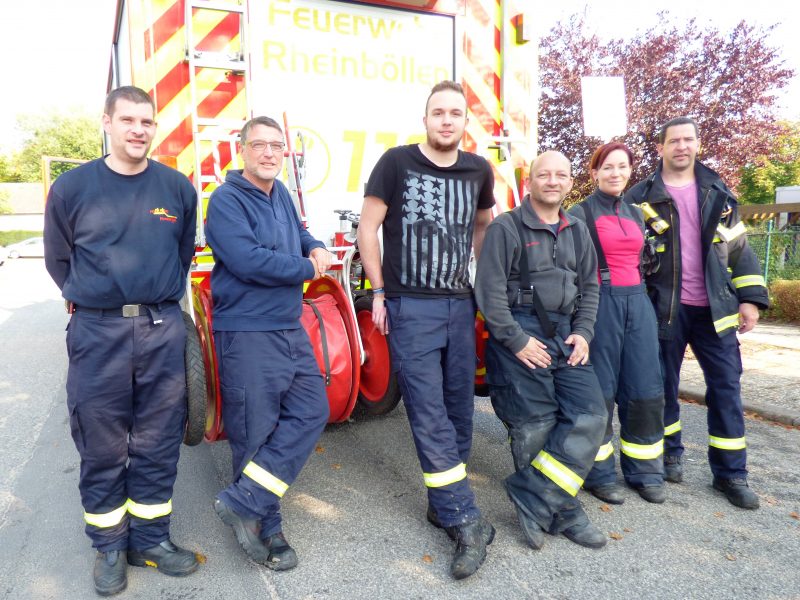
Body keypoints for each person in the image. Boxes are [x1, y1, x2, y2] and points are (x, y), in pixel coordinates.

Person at [43, 86, 200, 596]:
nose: (138, 129)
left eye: (147, 122)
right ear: (106, 122)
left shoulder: (177, 189)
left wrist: (155, 300)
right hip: (98, 330)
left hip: (161, 327)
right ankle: (110, 544)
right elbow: (58, 261)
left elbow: (181, 256)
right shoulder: (72, 188)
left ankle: (150, 540)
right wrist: (95, 299)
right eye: (128, 120)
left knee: (158, 438)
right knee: (101, 438)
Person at [357, 80, 495, 580]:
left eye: (455, 113)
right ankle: (465, 518)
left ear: (464, 122)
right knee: (426, 408)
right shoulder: (396, 162)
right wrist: (377, 291)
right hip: (409, 306)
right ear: (426, 118)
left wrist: (486, 288)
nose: (447, 120)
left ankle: (443, 505)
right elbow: (366, 227)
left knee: (460, 406)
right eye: (438, 112)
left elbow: (483, 228)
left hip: (461, 305)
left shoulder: (479, 170)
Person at [205, 116, 332, 570]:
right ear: (242, 151)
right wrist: (307, 269)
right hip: (247, 331)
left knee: (313, 410)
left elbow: (298, 235)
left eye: (276, 146)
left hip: (287, 325)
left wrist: (314, 245)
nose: (269, 153)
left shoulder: (280, 193)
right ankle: (267, 527)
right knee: (255, 429)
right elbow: (246, 260)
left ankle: (246, 499)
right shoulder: (225, 201)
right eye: (259, 145)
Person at [626, 117, 769, 509]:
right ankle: (670, 454)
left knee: (726, 389)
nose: (682, 147)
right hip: (664, 309)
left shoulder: (718, 194)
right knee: (663, 387)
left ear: (697, 144)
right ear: (660, 148)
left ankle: (731, 474)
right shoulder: (639, 197)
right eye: (673, 141)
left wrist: (750, 298)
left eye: (688, 139)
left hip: (715, 311)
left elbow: (740, 250)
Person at [475, 151, 608, 550]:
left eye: (561, 175)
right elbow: (489, 292)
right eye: (543, 175)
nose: (552, 181)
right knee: (535, 422)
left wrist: (584, 332)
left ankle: (534, 494)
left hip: (566, 333)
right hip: (519, 331)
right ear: (528, 181)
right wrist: (515, 340)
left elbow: (591, 287)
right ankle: (563, 510)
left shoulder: (577, 229)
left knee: (592, 413)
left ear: (570, 182)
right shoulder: (506, 228)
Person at [569, 142, 666, 506]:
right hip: (601, 304)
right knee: (601, 391)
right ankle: (599, 474)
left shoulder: (637, 213)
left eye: (622, 166)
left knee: (644, 387)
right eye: (607, 167)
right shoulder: (580, 214)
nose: (615, 173)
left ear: (630, 171)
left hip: (638, 301)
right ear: (594, 172)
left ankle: (646, 471)